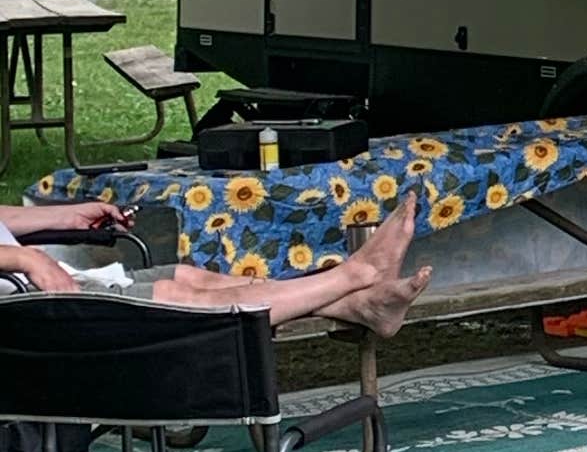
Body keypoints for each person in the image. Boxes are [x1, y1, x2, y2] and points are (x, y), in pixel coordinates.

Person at [0, 191, 433, 337]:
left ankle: (358, 305)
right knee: (177, 297)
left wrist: (60, 216)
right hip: (22, 305)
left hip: (32, 284)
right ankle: (356, 275)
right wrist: (21, 255)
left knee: (190, 275)